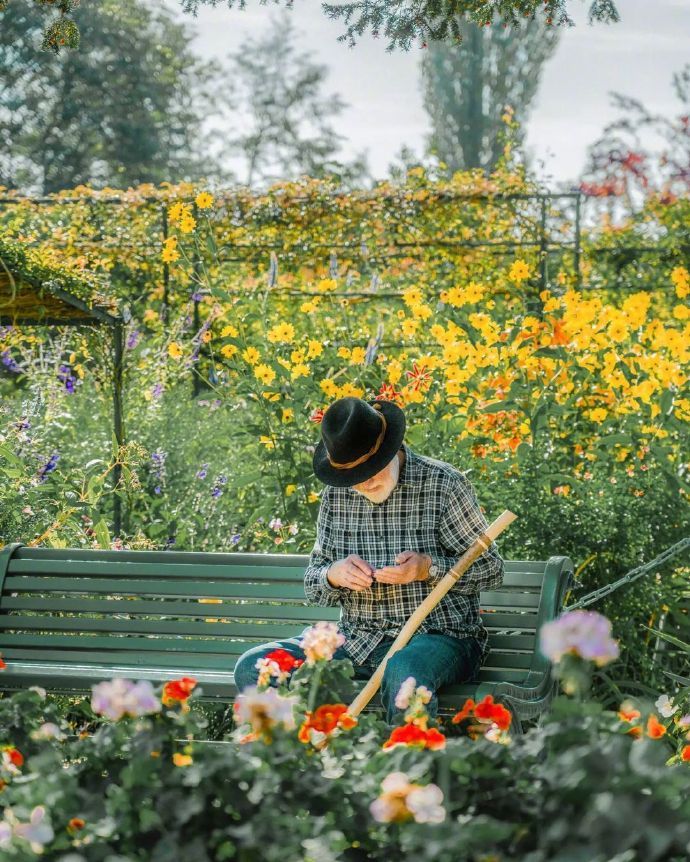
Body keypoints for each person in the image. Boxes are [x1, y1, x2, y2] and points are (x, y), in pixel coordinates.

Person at [233, 396, 505, 725]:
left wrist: (427, 569)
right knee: (254, 665)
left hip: (439, 637)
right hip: (357, 639)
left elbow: (491, 570)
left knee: (404, 671)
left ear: (391, 449)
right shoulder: (337, 495)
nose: (364, 483)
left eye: (370, 471)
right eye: (354, 477)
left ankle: (405, 772)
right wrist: (333, 575)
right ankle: (302, 762)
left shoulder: (443, 484)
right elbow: (313, 583)